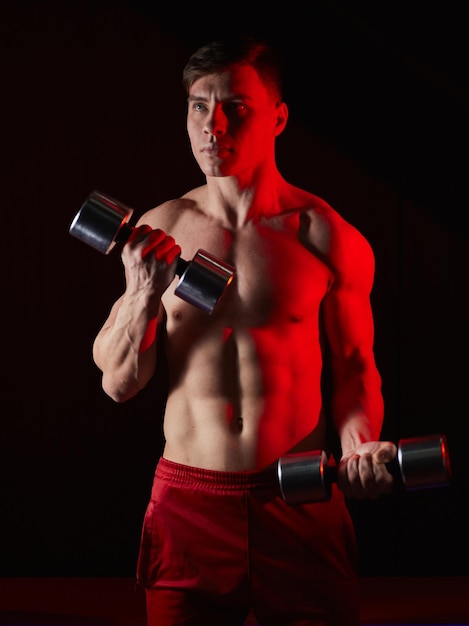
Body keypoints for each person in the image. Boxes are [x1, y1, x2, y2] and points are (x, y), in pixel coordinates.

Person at [92, 35, 396, 626]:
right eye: (199, 106)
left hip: (300, 498)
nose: (213, 125)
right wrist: (141, 293)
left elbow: (356, 368)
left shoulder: (325, 237)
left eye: (236, 107)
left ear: (278, 117)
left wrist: (360, 444)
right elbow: (118, 383)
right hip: (189, 501)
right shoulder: (164, 227)